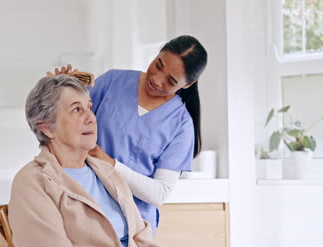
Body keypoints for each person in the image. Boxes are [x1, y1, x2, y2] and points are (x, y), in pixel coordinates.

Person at [52, 35, 208, 233]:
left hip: (132, 225)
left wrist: (111, 166)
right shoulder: (112, 81)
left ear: (187, 84)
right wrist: (61, 91)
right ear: (157, 54)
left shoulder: (181, 125)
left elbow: (159, 193)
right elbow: (67, 123)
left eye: (171, 81)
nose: (157, 80)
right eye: (158, 65)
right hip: (82, 205)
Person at [8, 75, 170, 247]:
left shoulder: (105, 171)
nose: (91, 118)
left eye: (90, 108)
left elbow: (143, 240)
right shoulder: (33, 183)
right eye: (77, 110)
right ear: (47, 128)